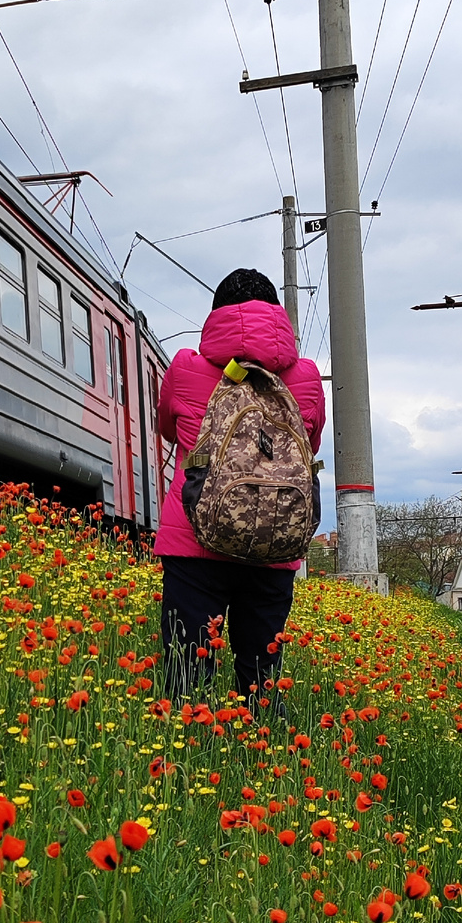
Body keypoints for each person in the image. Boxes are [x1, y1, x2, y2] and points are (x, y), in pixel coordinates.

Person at [154, 268, 326, 700]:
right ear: (278, 317)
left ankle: (191, 757)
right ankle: (265, 758)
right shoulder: (305, 378)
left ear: (216, 316)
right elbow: (309, 442)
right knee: (262, 681)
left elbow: (168, 429)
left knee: (187, 680)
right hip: (275, 546)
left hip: (196, 544)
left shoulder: (185, 368)